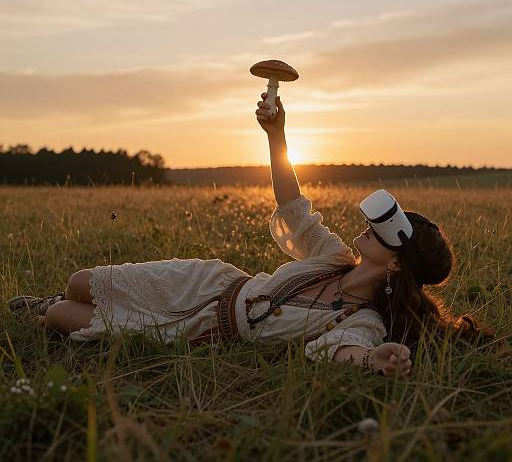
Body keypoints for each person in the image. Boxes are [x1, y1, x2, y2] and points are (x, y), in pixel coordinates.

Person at [8, 92, 492, 378]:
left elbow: (340, 352)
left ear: (396, 264)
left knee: (60, 316)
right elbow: (293, 205)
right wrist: (276, 135)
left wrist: (374, 361)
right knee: (77, 283)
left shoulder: (363, 321)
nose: (367, 229)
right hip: (206, 283)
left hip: (203, 331)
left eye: (382, 233)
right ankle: (50, 296)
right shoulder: (333, 256)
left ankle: (43, 304)